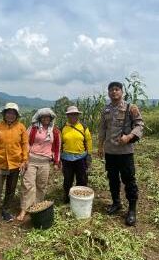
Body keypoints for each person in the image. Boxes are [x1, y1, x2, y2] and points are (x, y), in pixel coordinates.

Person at [97, 82, 144, 226]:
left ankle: (131, 209)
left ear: (122, 92)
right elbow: (102, 129)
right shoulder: (106, 110)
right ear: (108, 93)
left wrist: (129, 137)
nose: (114, 92)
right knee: (112, 179)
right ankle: (116, 203)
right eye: (111, 90)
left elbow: (140, 125)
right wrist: (100, 146)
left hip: (125, 152)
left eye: (116, 89)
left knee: (129, 180)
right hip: (110, 152)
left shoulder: (131, 108)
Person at [0, 102, 28, 231]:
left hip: (15, 163)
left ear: (16, 115)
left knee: (10, 189)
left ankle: (6, 210)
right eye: (8, 112)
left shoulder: (21, 128)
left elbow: (25, 145)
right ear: (4, 114)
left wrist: (25, 160)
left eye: (13, 113)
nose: (10, 115)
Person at [16, 108, 61, 221]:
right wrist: (24, 159)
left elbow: (57, 148)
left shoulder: (55, 131)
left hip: (45, 162)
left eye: (48, 117)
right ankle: (24, 209)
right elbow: (25, 143)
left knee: (41, 185)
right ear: (40, 118)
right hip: (31, 160)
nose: (46, 119)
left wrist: (56, 162)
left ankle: (36, 207)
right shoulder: (33, 128)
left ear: (51, 118)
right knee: (28, 184)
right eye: (43, 117)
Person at [61, 106, 93, 203]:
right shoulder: (63, 128)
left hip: (81, 158)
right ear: (67, 116)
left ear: (78, 115)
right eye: (71, 114)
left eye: (75, 114)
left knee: (82, 179)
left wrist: (89, 155)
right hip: (67, 158)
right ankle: (67, 197)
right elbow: (60, 143)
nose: (73, 116)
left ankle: (80, 197)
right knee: (67, 179)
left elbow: (88, 140)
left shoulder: (83, 127)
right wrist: (58, 157)